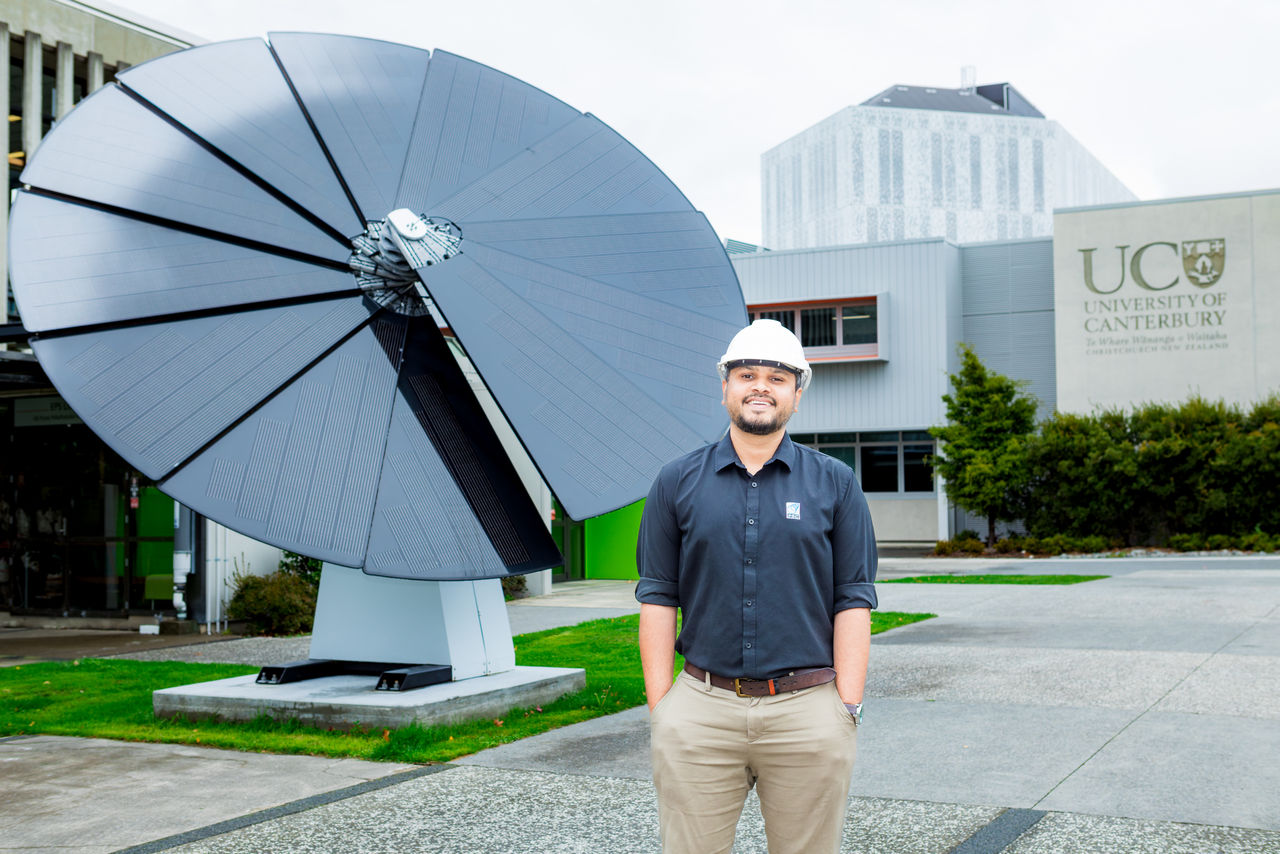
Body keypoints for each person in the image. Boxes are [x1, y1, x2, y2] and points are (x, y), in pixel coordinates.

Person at [635, 318, 878, 854]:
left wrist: (847, 707)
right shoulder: (676, 482)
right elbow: (657, 596)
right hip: (700, 711)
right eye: (747, 374)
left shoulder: (835, 483)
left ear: (797, 394)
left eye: (777, 377)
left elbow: (854, 599)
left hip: (808, 711)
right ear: (725, 387)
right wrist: (663, 709)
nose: (760, 386)